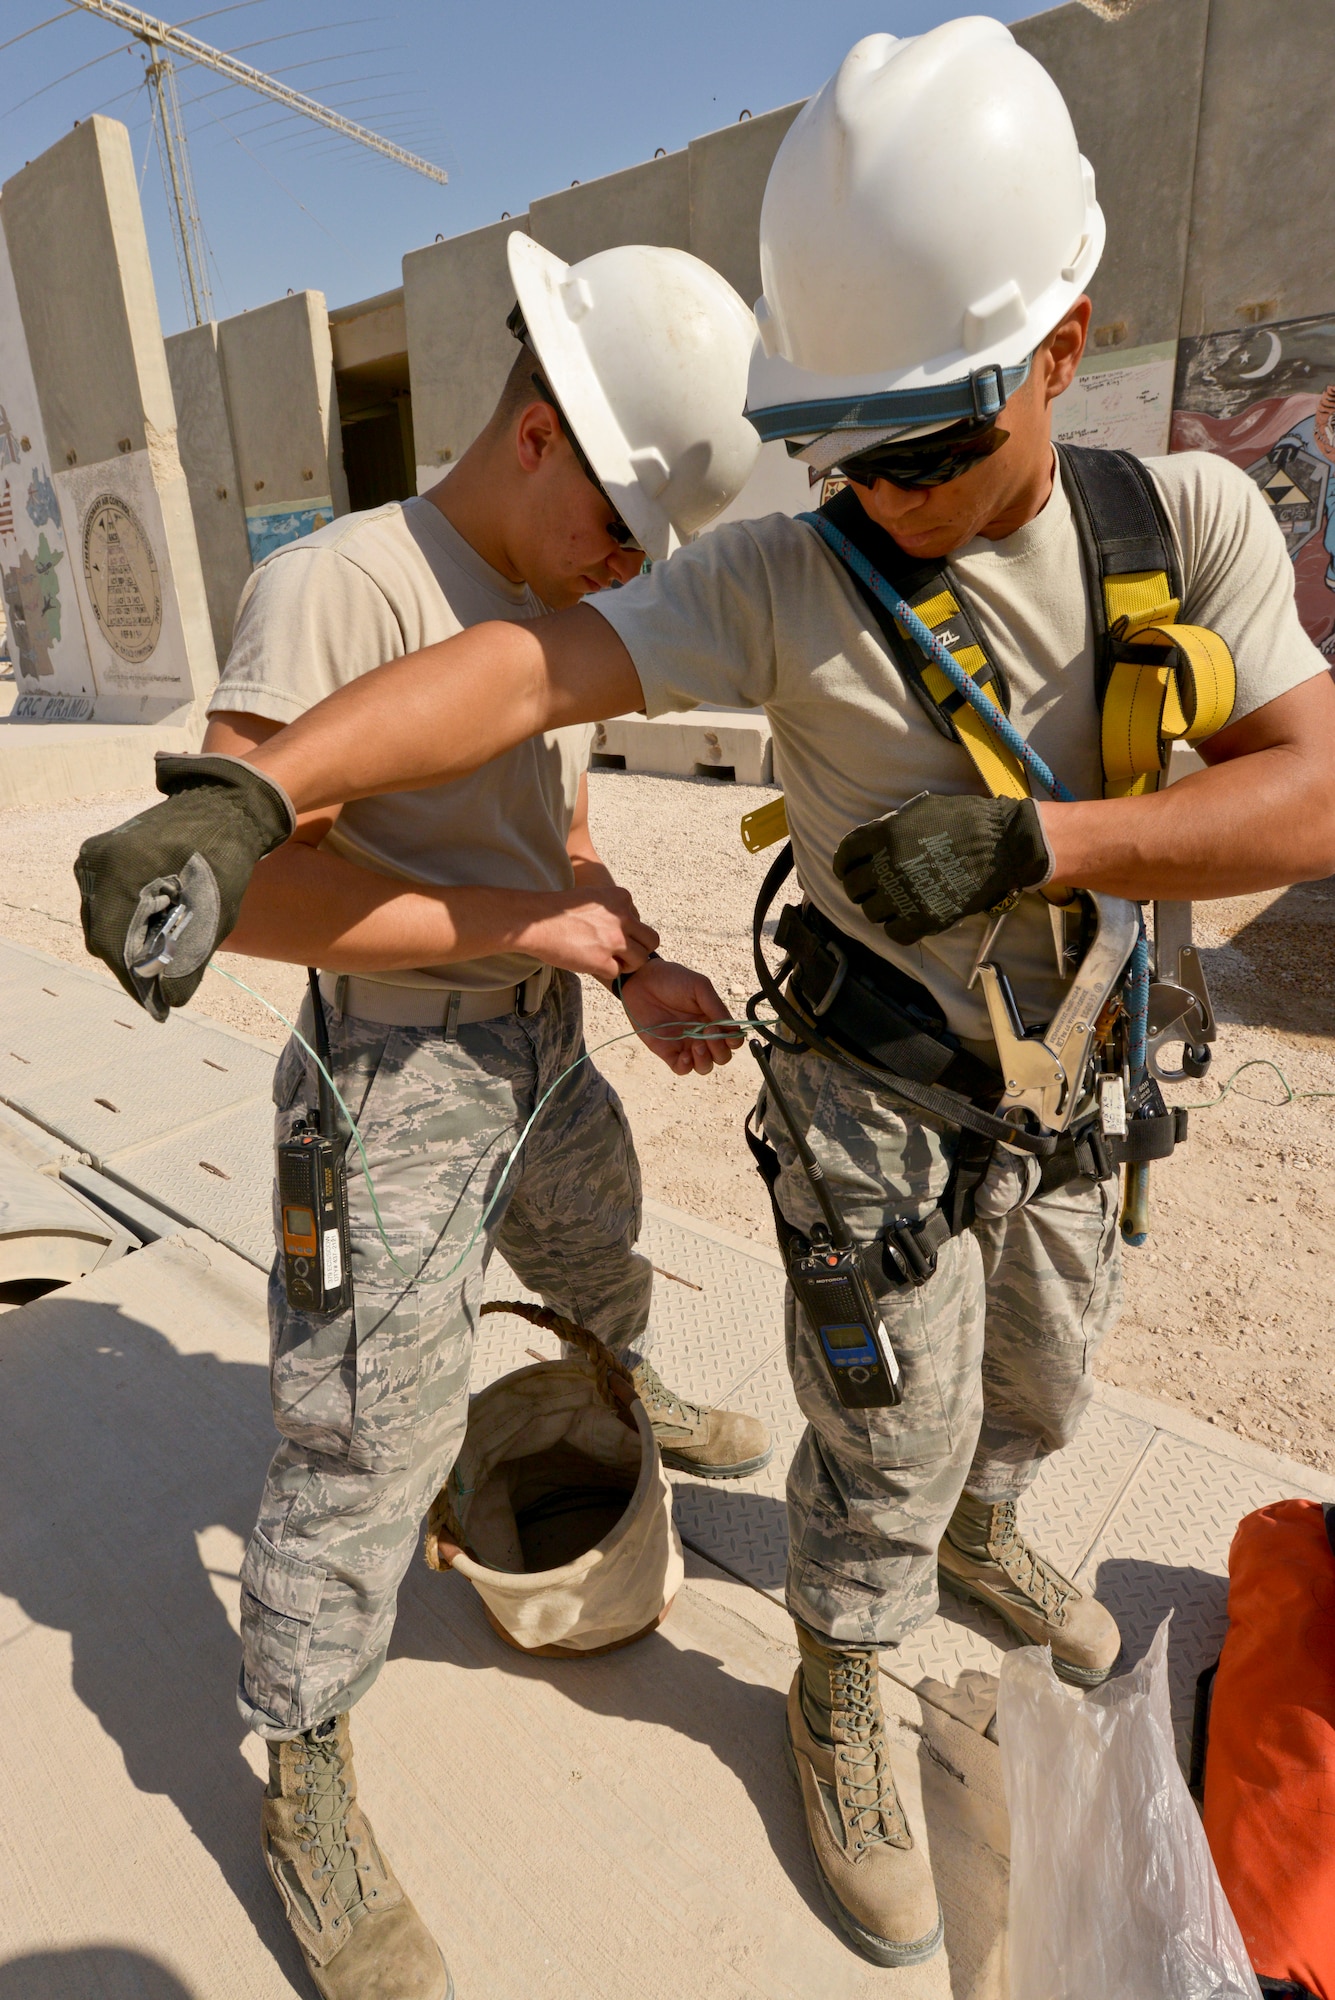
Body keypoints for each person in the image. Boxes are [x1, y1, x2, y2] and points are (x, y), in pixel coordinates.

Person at [77, 18, 1335, 1974]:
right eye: (837, 453)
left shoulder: (1182, 529)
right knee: (700, 1422)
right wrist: (244, 798)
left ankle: (965, 1523)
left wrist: (1042, 850)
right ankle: (756, 1676)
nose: (879, 504)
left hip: (1055, 1066)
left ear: (1058, 354)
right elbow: (520, 681)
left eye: (915, 448)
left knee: (1037, 1373)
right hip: (790, 1083)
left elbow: (1306, 780)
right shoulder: (746, 574)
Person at [146, 234, 771, 2000]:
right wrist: (525, 927)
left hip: (544, 1047)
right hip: (391, 1079)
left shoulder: (558, 628)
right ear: (540, 438)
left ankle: (622, 1389)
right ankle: (309, 1773)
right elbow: (247, 901)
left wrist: (625, 954)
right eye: (630, 531)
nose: (635, 572)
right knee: (360, 1443)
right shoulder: (334, 589)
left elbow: (552, 835)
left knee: (600, 1252)